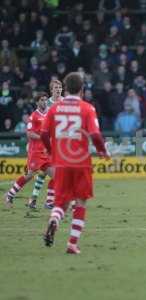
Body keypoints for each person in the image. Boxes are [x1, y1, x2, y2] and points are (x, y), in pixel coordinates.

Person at [41, 72, 109, 254]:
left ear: (66, 88)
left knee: (61, 202)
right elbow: (95, 134)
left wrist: (50, 151)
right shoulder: (87, 108)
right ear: (81, 89)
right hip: (80, 162)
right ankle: (72, 244)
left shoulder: (54, 108)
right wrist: (103, 151)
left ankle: (54, 219)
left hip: (61, 162)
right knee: (80, 202)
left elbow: (43, 133)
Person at [3, 92, 54, 208]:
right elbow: (29, 133)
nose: (44, 102)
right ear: (37, 102)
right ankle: (10, 194)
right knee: (29, 175)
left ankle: (50, 202)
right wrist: (43, 137)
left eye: (45, 99)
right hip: (36, 152)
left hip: (46, 152)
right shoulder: (34, 116)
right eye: (42, 100)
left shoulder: (49, 114)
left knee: (56, 176)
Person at [27, 79, 63, 209]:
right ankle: (45, 200)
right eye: (55, 87)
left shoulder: (64, 102)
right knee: (45, 173)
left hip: (60, 141)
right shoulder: (46, 104)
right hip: (47, 142)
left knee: (50, 172)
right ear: (51, 90)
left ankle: (39, 199)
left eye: (60, 87)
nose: (58, 89)